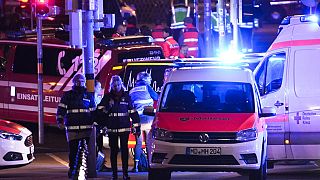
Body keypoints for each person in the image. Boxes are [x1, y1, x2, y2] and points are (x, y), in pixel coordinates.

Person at [96, 75, 140, 180]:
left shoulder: (126, 97)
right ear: (111, 86)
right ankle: (114, 175)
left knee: (125, 151)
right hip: (112, 129)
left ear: (121, 85)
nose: (117, 87)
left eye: (118, 84)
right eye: (114, 85)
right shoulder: (107, 98)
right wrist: (108, 107)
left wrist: (137, 127)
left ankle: (125, 174)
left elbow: (133, 113)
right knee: (114, 151)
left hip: (124, 128)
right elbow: (99, 113)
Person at [56, 74, 96, 179]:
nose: (80, 83)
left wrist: (96, 123)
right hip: (72, 128)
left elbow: (93, 112)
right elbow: (61, 109)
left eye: (82, 81)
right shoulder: (68, 95)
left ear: (84, 83)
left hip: (86, 129)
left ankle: (83, 171)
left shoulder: (88, 96)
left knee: (84, 152)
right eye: (77, 81)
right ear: (74, 82)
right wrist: (59, 120)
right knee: (73, 151)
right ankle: (72, 169)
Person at [129, 72, 158, 173]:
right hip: (148, 120)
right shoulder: (147, 87)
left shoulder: (132, 90)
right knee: (149, 143)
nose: (150, 80)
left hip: (137, 121)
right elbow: (156, 97)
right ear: (145, 79)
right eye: (149, 79)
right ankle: (150, 165)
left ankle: (136, 166)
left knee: (138, 143)